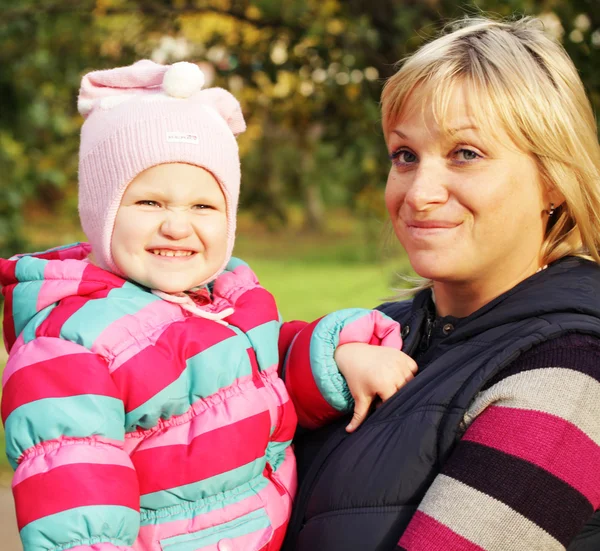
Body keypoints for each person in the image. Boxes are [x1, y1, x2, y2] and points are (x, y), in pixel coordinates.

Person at [0, 60, 418, 551]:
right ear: (100, 211)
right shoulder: (68, 345)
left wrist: (338, 355)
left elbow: (266, 370)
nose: (177, 226)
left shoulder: (227, 298)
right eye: (149, 203)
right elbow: (76, 505)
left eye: (203, 206)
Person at [282, 16, 600, 551]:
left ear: (552, 181)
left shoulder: (571, 374)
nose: (419, 193)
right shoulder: (381, 333)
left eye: (465, 154)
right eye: (405, 155)